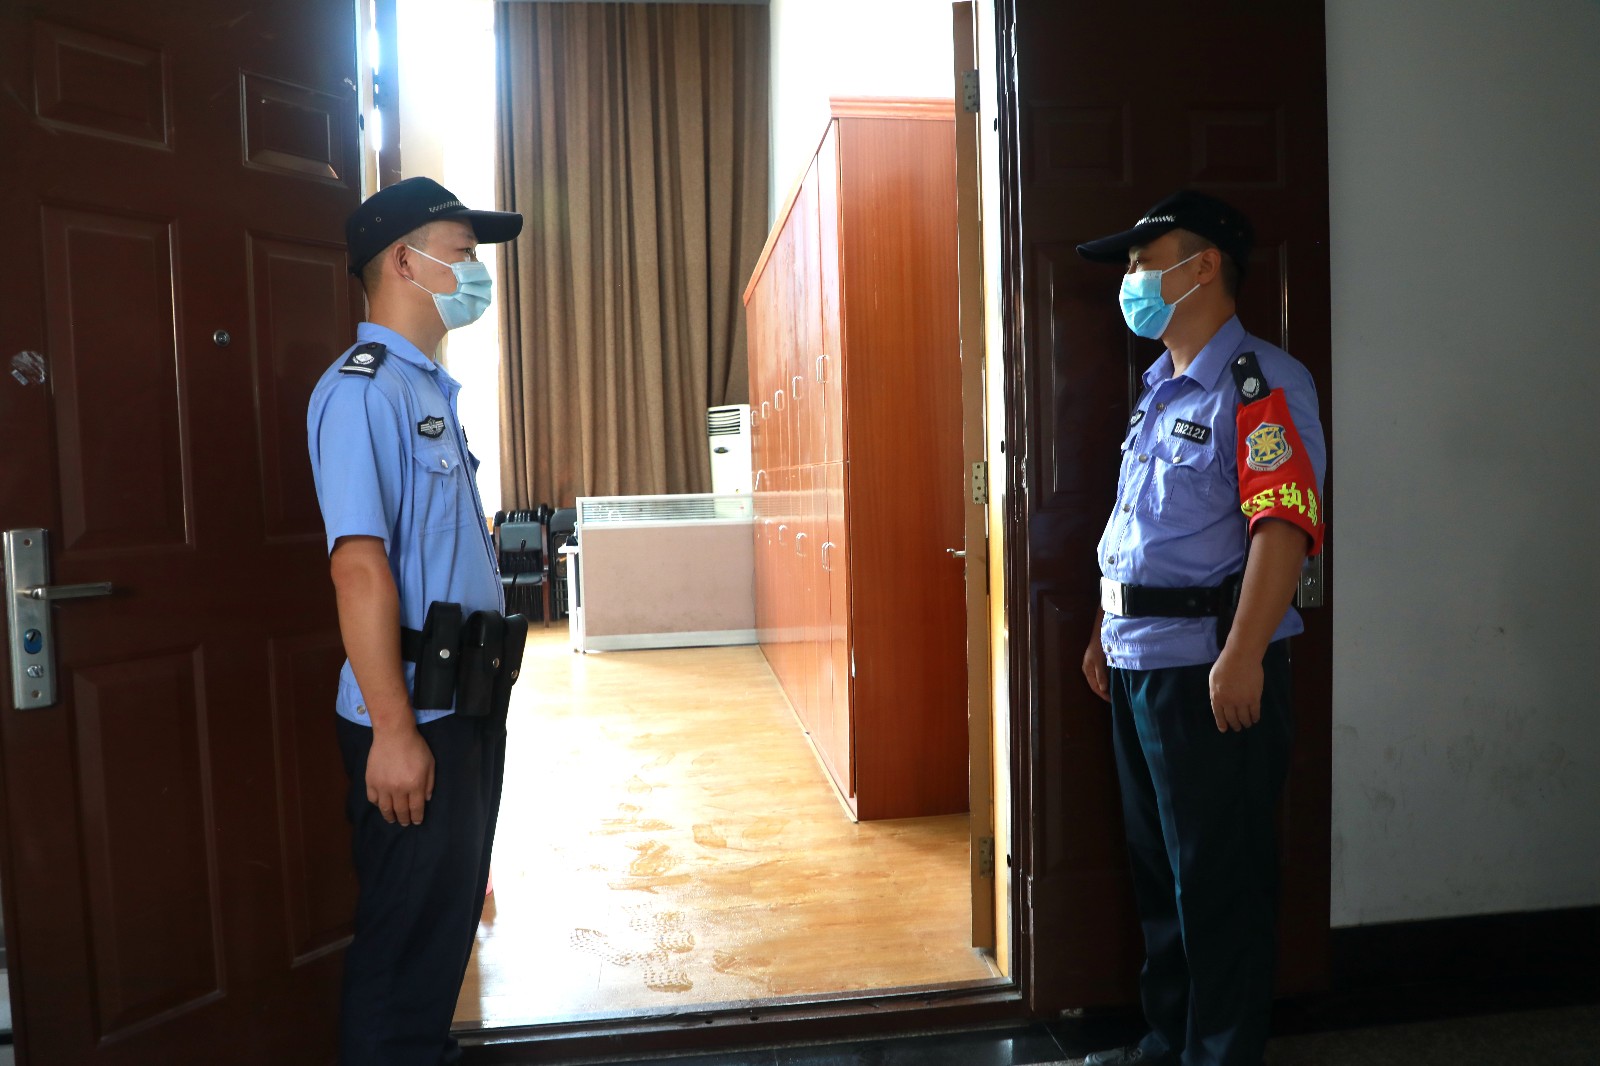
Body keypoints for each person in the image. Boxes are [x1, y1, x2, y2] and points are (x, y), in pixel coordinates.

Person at [1075, 190, 1326, 1066]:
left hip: (1210, 671)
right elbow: (1140, 528)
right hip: (1140, 660)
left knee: (1218, 883)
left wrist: (1244, 655)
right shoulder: (1159, 389)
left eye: (1145, 261)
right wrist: (1105, 627)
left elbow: (1281, 524)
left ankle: (1219, 1056)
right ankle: (1168, 1044)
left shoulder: (1259, 383)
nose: (1131, 279)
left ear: (1204, 265)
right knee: (1161, 875)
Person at [307, 176, 524, 1065]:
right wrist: (394, 733)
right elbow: (358, 568)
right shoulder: (364, 393)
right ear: (404, 261)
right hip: (413, 714)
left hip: (461, 702)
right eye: (463, 255)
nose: (475, 274)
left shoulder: (424, 387)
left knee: (439, 934)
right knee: (403, 954)